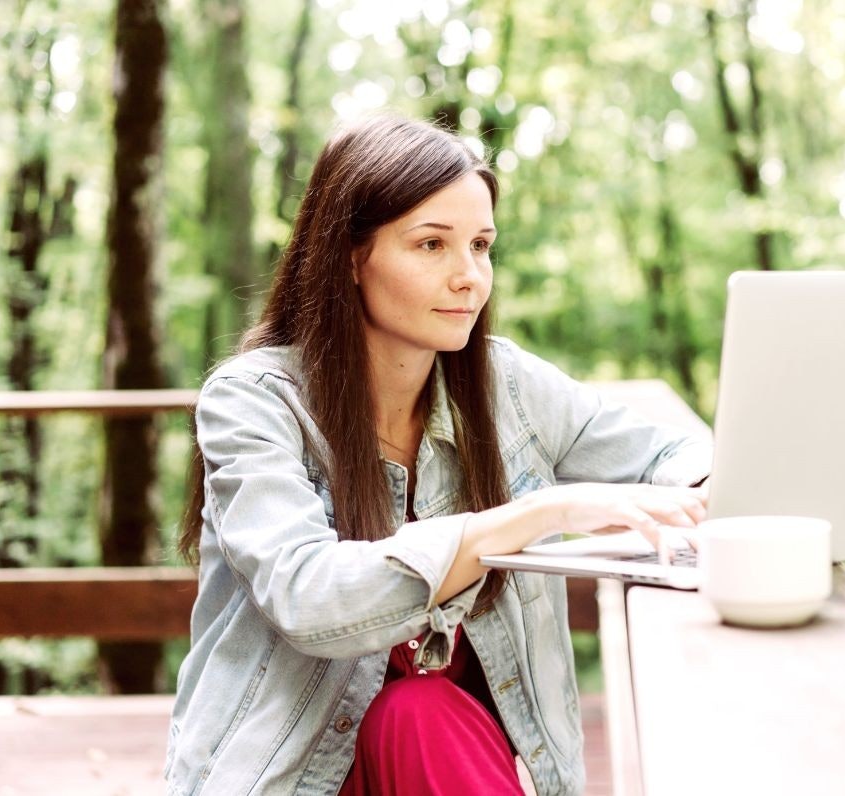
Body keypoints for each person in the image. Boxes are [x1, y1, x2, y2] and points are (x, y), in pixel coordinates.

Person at [165, 113, 711, 796]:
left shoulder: (504, 384)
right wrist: (540, 513)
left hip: (442, 760)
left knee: (418, 710)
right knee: (413, 712)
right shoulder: (254, 402)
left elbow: (669, 454)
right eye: (432, 245)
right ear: (350, 256)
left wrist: (716, 486)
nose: (469, 278)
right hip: (296, 776)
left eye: (481, 245)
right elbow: (308, 596)